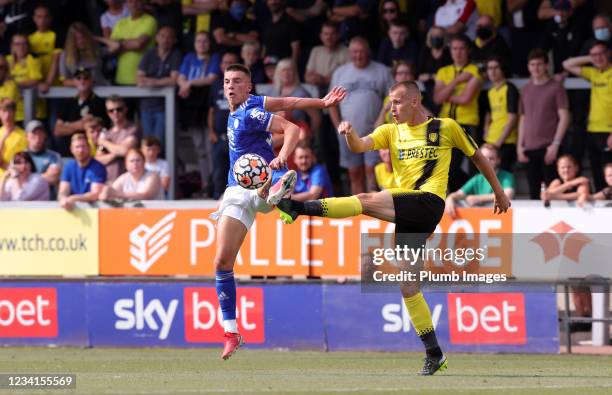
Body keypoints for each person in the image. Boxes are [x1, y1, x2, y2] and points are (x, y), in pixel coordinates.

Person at [275, 80, 510, 375]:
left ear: (414, 101)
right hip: (408, 213)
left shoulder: (446, 127)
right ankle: (434, 353)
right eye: (389, 102)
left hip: (428, 202)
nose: (391, 108)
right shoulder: (390, 130)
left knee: (363, 199)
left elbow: (478, 157)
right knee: (409, 286)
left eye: (397, 102)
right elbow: (361, 146)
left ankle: (296, 208)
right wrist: (350, 135)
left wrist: (499, 192)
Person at [211, 63, 346, 360]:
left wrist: (283, 157)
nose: (230, 86)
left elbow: (292, 127)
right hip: (236, 188)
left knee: (264, 192)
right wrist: (322, 103)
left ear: (248, 87)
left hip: (259, 179)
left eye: (236, 82)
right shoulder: (240, 110)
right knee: (222, 261)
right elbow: (290, 103)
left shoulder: (251, 112)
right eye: (226, 82)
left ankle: (275, 191)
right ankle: (231, 333)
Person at [329, 37, 392, 194]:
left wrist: (382, 116)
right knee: (354, 174)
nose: (358, 55)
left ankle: (374, 212)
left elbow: (393, 98)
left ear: (368, 52)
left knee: (372, 172)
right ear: (349, 53)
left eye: (362, 52)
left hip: (374, 132)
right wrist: (338, 126)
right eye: (355, 52)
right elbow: (330, 104)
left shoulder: (382, 71)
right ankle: (358, 213)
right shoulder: (340, 73)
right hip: (348, 133)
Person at [518, 49, 569, 199]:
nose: (536, 68)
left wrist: (555, 144)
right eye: (532, 64)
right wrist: (519, 146)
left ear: (546, 65)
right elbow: (523, 118)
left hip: (549, 147)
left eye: (539, 64)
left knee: (553, 191)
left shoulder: (556, 87)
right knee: (533, 191)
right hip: (529, 148)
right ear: (528, 67)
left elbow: (564, 117)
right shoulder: (525, 90)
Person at [434, 34, 482, 191]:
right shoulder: (443, 71)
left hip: (468, 123)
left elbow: (465, 99)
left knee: (473, 163)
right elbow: (437, 98)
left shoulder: (474, 70)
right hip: (447, 124)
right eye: (454, 48)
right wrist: (457, 81)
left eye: (462, 48)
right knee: (448, 167)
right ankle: (459, 194)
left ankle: (473, 195)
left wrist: (447, 93)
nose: (458, 52)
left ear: (468, 50)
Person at [563, 41, 612, 192]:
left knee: (609, 173)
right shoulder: (594, 72)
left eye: (601, 54)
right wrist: (591, 58)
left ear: (609, 53)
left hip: (609, 132)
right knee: (597, 171)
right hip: (593, 130)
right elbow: (567, 64)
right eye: (594, 55)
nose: (598, 58)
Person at [178, 31, 221, 191]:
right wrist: (184, 84)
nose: (202, 44)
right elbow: (180, 77)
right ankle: (204, 182)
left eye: (205, 41)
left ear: (209, 44)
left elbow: (211, 78)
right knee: (199, 148)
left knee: (210, 148)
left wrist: (188, 84)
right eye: (198, 41)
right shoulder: (189, 57)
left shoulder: (214, 57)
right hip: (192, 108)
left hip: (207, 104)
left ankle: (213, 181)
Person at [137, 26, 181, 151]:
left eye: (169, 37)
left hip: (164, 107)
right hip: (146, 106)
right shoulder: (149, 54)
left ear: (174, 40)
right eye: (162, 36)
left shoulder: (176, 55)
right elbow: (139, 79)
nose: (165, 40)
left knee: (159, 143)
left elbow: (173, 80)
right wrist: (162, 82)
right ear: (156, 38)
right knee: (147, 143)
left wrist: (151, 81)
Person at [445, 143, 514, 217]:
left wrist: (478, 198)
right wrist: (450, 198)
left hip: (502, 218)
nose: (487, 161)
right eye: (484, 158)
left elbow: (507, 195)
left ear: (498, 160)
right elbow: (458, 194)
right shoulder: (477, 178)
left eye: (491, 158)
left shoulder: (507, 176)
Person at [54, 67, 108, 156]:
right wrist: (80, 124)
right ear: (74, 81)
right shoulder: (68, 102)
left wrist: (67, 125)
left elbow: (100, 128)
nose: (82, 81)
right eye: (79, 78)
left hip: (93, 152)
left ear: (91, 80)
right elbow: (58, 130)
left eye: (86, 78)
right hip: (69, 150)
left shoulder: (99, 102)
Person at [208, 52, 239, 199]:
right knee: (218, 170)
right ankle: (217, 199)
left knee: (237, 170)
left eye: (231, 62)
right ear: (221, 66)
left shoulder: (243, 84)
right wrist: (211, 131)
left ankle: (236, 198)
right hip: (219, 137)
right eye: (225, 62)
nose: (228, 65)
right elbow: (211, 110)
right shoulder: (215, 85)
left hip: (238, 136)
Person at [105, 0, 158, 85]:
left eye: (138, 1)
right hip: (121, 78)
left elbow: (139, 44)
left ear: (143, 3)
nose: (134, 4)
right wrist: (131, 43)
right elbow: (110, 48)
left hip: (143, 79)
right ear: (126, 4)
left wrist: (118, 44)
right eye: (130, 1)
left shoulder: (150, 20)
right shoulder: (120, 23)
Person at [483, 57, 518, 171]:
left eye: (496, 67)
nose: (492, 71)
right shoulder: (490, 92)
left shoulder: (510, 88)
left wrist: (499, 142)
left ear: (502, 69)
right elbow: (489, 114)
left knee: (502, 175)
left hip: (505, 141)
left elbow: (513, 118)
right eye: (489, 68)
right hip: (491, 141)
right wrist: (486, 132)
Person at [58, 133, 107, 210]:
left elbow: (95, 194)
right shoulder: (68, 166)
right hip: (72, 210)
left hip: (93, 210)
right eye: (77, 147)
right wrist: (63, 198)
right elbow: (63, 190)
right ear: (71, 149)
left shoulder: (98, 167)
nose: (80, 150)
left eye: (83, 146)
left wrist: (73, 198)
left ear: (89, 148)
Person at [96, 95, 140, 182]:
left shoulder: (133, 129)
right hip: (108, 180)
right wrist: (117, 151)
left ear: (125, 109)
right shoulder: (107, 133)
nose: (115, 113)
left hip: (129, 181)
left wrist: (105, 143)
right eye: (111, 111)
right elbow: (99, 159)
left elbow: (124, 151)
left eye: (119, 109)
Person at [100, 148, 164, 201]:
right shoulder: (124, 178)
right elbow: (111, 191)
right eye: (131, 161)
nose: (135, 163)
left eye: (138, 160)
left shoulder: (153, 176)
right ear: (126, 165)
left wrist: (116, 194)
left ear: (144, 162)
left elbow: (145, 195)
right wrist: (105, 192)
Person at [304, 21, 350, 94]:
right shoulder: (316, 50)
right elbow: (307, 77)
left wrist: (323, 80)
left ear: (338, 35)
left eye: (332, 34)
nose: (329, 37)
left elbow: (348, 76)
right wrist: (321, 79)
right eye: (326, 34)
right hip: (316, 90)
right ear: (321, 36)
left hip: (337, 91)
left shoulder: (346, 51)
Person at [7, 34, 44, 122]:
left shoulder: (33, 59)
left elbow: (35, 80)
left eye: (24, 44)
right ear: (12, 46)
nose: (21, 47)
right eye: (18, 44)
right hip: (11, 111)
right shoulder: (7, 60)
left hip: (32, 110)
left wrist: (15, 85)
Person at [60, 22, 107, 87]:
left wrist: (96, 38)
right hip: (79, 91)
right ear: (71, 40)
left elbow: (116, 46)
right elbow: (64, 80)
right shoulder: (65, 55)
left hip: (101, 88)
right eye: (76, 38)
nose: (81, 41)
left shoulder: (95, 50)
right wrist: (82, 83)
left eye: (83, 37)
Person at [28, 5, 60, 93]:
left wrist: (47, 83)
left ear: (50, 18)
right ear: (34, 18)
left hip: (54, 84)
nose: (42, 20)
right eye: (39, 17)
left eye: (46, 17)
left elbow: (56, 60)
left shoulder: (55, 36)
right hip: (35, 85)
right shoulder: (29, 38)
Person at [25, 120, 61, 193]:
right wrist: (44, 176)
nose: (37, 137)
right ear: (26, 136)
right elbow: (17, 180)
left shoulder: (54, 156)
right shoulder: (20, 156)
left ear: (45, 135)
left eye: (40, 133)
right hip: (25, 199)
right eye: (34, 133)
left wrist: (29, 178)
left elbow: (53, 177)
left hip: (48, 200)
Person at [0, 98, 27, 179]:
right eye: (4, 111)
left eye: (10, 111)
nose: (7, 115)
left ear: (15, 113)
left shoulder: (23, 135)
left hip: (15, 178)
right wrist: (2, 140)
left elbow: (23, 162)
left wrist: (10, 169)